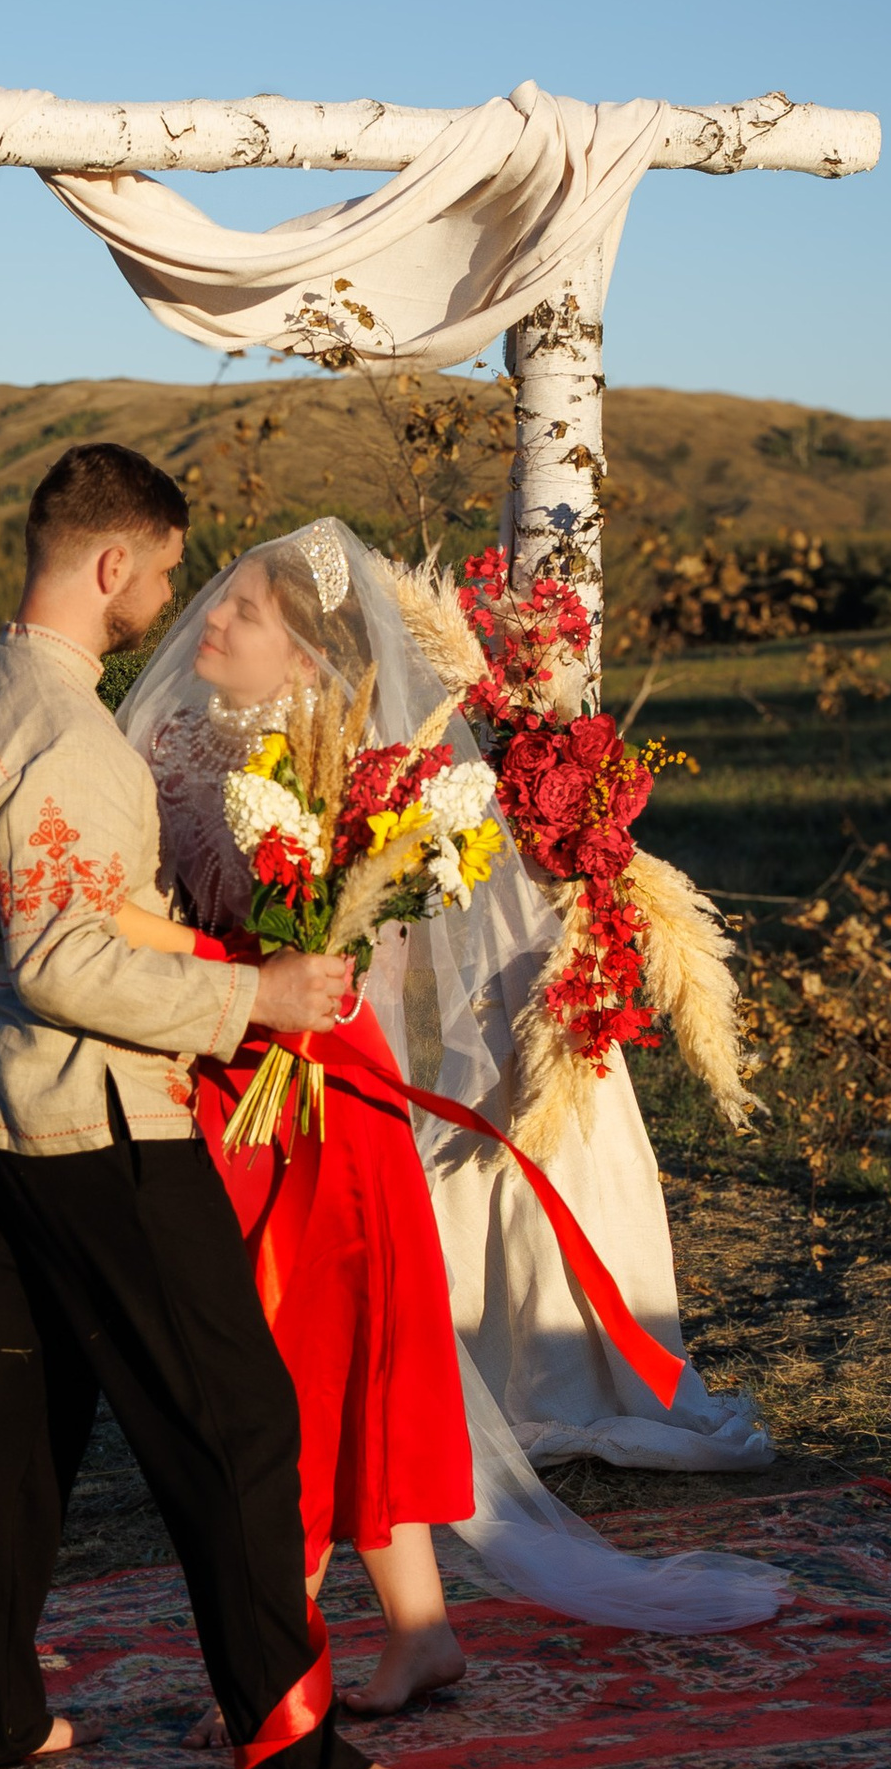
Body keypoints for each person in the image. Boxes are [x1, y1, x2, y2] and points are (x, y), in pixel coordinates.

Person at [0, 443, 458, 1769]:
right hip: (96, 1116)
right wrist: (253, 994)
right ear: (111, 563)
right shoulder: (72, 740)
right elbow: (57, 955)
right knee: (236, 1418)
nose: (168, 595)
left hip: (1, 1100)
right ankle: (293, 1757)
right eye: (161, 570)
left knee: (6, 1417)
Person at [120, 519, 785, 1646]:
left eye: (243, 610)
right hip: (235, 1082)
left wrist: (226, 946)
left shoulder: (348, 774)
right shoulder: (178, 746)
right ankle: (419, 1638)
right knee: (307, 1364)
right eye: (218, 598)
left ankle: (287, 1650)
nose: (211, 619)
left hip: (318, 1089)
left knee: (305, 1368)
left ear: (310, 659)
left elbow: (351, 954)